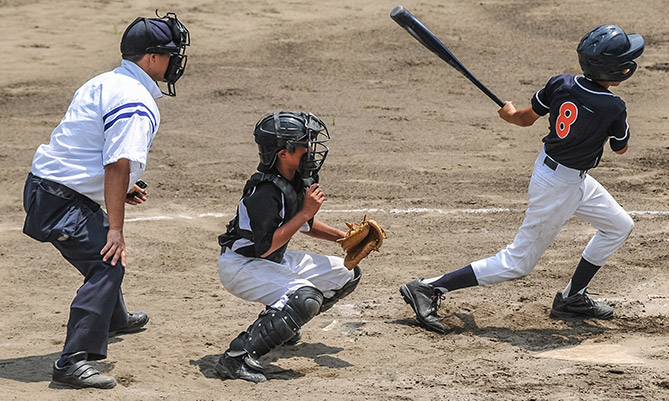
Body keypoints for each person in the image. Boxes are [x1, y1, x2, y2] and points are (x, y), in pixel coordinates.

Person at [400, 24, 643, 333]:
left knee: (619, 225)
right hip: (560, 187)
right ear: (619, 70)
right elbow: (621, 149)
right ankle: (430, 287)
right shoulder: (613, 106)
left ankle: (572, 297)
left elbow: (524, 119)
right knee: (517, 263)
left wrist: (509, 113)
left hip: (558, 173)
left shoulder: (562, 83)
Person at [21, 12, 190, 389]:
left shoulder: (105, 81)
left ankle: (114, 318)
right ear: (150, 58)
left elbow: (85, 146)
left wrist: (115, 191)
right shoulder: (135, 101)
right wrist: (116, 228)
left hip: (47, 187)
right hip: (61, 201)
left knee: (101, 252)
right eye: (169, 53)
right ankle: (71, 362)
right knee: (108, 262)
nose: (175, 60)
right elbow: (116, 164)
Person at [214, 111, 361, 383]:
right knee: (306, 299)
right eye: (304, 143)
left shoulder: (297, 178)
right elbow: (266, 247)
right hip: (242, 266)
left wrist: (345, 238)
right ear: (283, 153)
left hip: (273, 260)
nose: (310, 149)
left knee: (346, 272)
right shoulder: (264, 193)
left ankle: (281, 324)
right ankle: (236, 357)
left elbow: (306, 224)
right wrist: (305, 213)